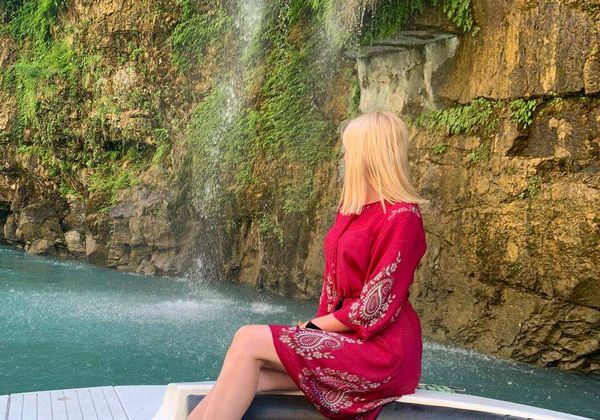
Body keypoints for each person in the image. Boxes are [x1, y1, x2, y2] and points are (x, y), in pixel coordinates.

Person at [188, 111, 430, 420]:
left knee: (248, 339)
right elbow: (332, 285)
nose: (344, 156)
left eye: (349, 149)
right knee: (249, 372)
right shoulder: (351, 208)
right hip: (346, 340)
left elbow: (374, 307)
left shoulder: (402, 216)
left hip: (382, 352)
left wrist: (314, 328)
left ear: (369, 155)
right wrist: (315, 332)